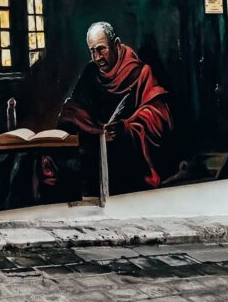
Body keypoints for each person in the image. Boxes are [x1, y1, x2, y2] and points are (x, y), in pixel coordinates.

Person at [58, 22, 171, 191]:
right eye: (92, 51)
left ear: (116, 44)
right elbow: (73, 109)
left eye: (101, 49)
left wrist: (126, 128)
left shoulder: (140, 73)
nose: (97, 57)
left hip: (128, 159)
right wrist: (90, 127)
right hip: (94, 154)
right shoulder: (90, 73)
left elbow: (158, 116)